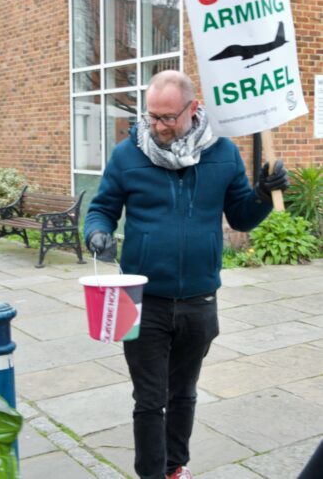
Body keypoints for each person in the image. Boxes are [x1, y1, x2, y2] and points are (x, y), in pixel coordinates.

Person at [84, 70, 289, 479]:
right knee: (149, 399)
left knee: (183, 394)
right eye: (151, 116)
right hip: (142, 300)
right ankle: (151, 474)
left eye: (167, 117)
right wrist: (98, 233)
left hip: (199, 299)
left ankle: (175, 467)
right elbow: (102, 207)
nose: (156, 126)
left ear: (193, 110)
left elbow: (242, 217)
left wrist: (265, 195)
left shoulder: (224, 154)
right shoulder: (128, 155)